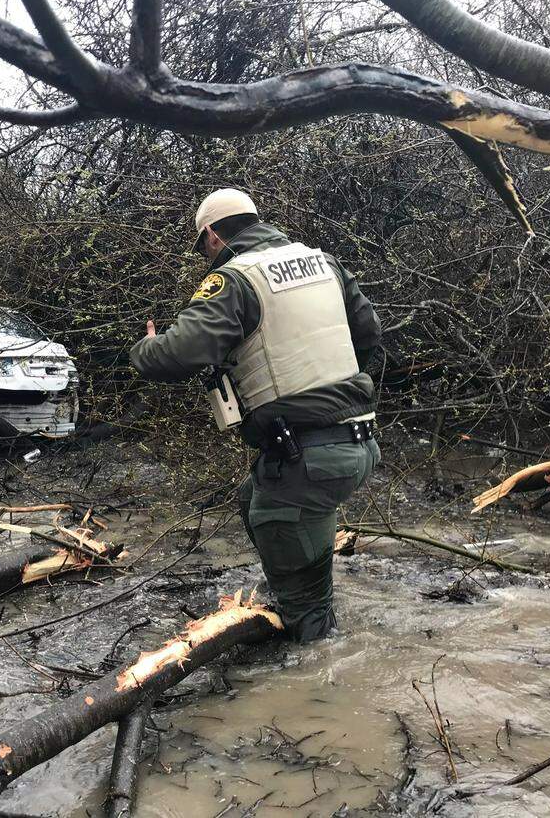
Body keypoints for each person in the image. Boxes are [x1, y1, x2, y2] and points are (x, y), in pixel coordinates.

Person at [129, 188, 382, 642]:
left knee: (311, 622)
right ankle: (291, 591)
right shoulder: (323, 262)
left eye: (202, 244)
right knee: (253, 498)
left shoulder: (235, 278)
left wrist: (146, 346)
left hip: (306, 459)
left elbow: (174, 356)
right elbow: (368, 333)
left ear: (211, 235)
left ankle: (318, 674)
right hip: (359, 443)